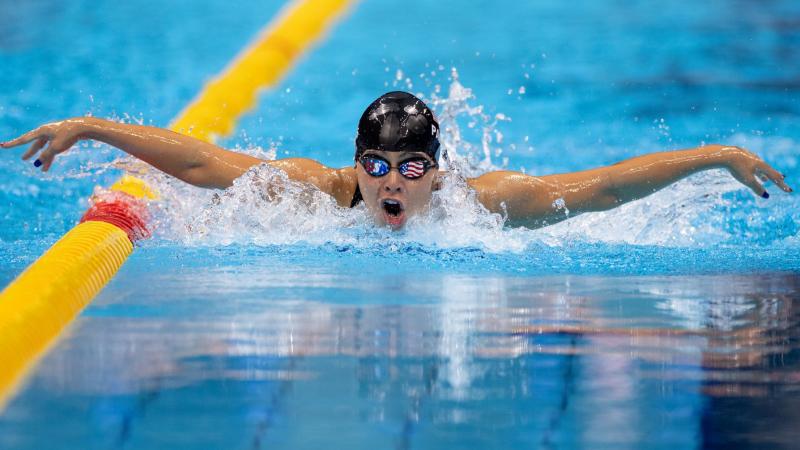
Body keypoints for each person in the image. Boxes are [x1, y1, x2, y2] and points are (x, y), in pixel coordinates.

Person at [1, 91, 792, 230]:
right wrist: (92, 128)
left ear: (438, 170)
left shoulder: (478, 208)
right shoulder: (320, 195)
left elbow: (604, 189)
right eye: (378, 167)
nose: (392, 183)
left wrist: (716, 155)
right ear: (357, 162)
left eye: (412, 168)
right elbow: (207, 167)